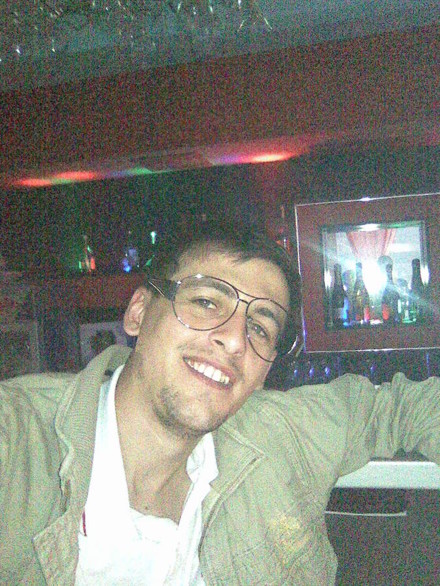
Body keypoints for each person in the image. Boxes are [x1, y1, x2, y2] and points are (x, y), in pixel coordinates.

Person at [0, 219, 439, 586]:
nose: (234, 340)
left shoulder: (279, 432)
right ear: (138, 312)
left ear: (265, 372)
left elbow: (398, 408)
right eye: (207, 302)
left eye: (260, 328)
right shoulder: (18, 442)